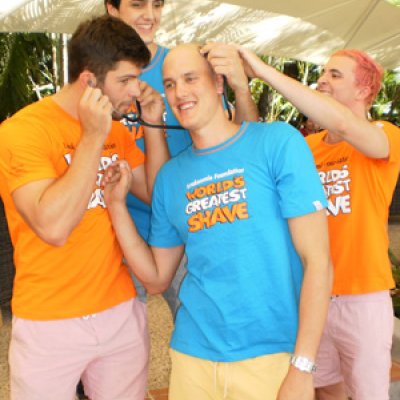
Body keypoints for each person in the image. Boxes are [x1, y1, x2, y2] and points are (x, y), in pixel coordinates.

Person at [104, 43, 332, 400]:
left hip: (271, 353)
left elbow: (317, 261)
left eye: (190, 78)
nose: (180, 92)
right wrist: (116, 206)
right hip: (193, 355)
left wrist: (303, 366)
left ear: (218, 84)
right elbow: (156, 277)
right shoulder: (170, 178)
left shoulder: (277, 143)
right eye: (171, 83)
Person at [0, 15, 167, 400]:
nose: (136, 90)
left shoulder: (116, 128)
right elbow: (53, 227)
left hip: (118, 308)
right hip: (48, 320)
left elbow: (156, 194)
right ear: (89, 81)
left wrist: (154, 127)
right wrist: (93, 136)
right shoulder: (23, 132)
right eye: (125, 80)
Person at [223, 44, 400, 400]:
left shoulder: (385, 134)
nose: (321, 81)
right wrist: (241, 87)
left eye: (335, 75)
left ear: (364, 90)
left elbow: (342, 122)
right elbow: (252, 149)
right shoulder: (307, 146)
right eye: (322, 74)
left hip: (362, 296)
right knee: (321, 390)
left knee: (368, 393)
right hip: (310, 294)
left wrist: (263, 71)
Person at [104, 0, 259, 315]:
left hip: (189, 224)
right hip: (120, 231)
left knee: (206, 322)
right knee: (122, 345)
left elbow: (244, 140)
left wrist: (242, 91)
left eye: (157, 5)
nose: (150, 15)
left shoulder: (180, 66)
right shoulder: (98, 76)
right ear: (112, 9)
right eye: (137, 5)